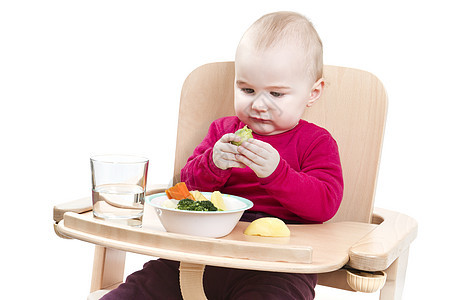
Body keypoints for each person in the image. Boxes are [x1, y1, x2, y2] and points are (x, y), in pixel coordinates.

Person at [101, 11, 343, 300]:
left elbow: (325, 205)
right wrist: (213, 164)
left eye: (276, 94)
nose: (259, 105)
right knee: (139, 288)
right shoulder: (223, 131)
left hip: (278, 266)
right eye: (247, 89)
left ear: (313, 93)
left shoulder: (316, 142)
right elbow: (186, 189)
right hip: (198, 253)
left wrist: (278, 173)